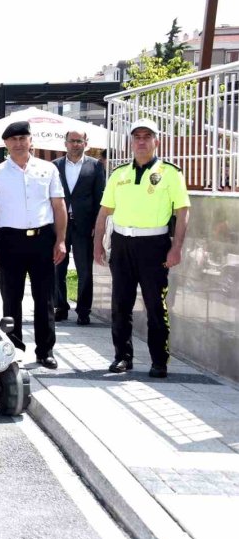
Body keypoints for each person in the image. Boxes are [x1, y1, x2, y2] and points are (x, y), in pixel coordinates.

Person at [93, 119, 190, 379]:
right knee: (120, 304)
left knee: (155, 305)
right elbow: (104, 211)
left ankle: (159, 361)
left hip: (154, 245)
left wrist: (177, 247)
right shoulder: (119, 174)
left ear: (157, 141)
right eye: (137, 137)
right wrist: (97, 244)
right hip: (122, 244)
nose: (142, 141)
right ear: (131, 142)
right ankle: (122, 357)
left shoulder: (170, 172)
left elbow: (183, 212)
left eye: (147, 136)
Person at [0, 121, 67, 370]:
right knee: (11, 298)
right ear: (6, 144)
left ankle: (45, 351)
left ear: (31, 140)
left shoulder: (48, 169)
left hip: (42, 239)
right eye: (13, 139)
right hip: (10, 241)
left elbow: (58, 205)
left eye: (23, 138)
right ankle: (14, 348)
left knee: (45, 297)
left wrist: (61, 240)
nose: (18, 143)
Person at [53, 130, 106, 324]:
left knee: (84, 270)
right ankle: (60, 307)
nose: (75, 144)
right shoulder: (54, 166)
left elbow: (100, 197)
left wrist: (96, 225)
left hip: (85, 225)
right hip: (60, 224)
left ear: (85, 143)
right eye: (72, 141)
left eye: (79, 141)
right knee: (58, 268)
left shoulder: (95, 166)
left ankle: (84, 310)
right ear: (65, 143)